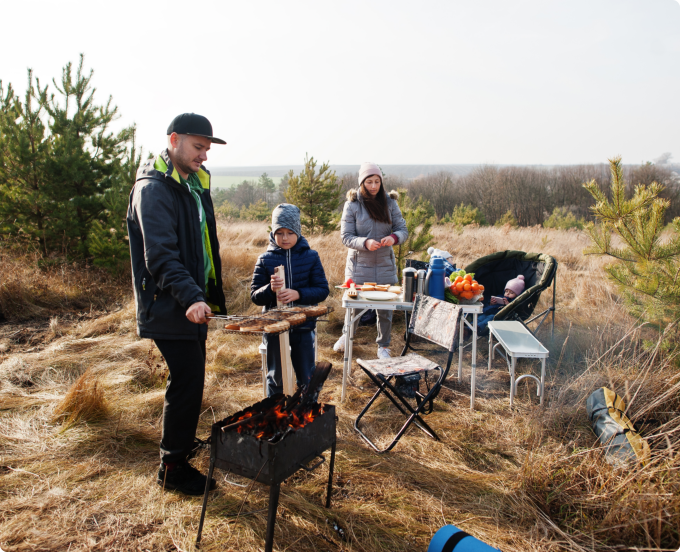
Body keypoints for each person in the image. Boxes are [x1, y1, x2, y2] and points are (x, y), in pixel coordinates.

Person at [127, 113, 227, 496]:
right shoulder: (153, 190)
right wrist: (191, 297)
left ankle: (182, 444)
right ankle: (172, 467)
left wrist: (206, 295)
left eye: (207, 148)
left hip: (190, 301)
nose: (204, 156)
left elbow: (201, 246)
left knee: (191, 378)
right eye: (198, 147)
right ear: (174, 140)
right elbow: (162, 257)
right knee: (186, 381)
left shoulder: (190, 186)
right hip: (168, 303)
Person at [251, 204, 329, 396]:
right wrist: (270, 289)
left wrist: (299, 294)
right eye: (280, 233)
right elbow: (255, 296)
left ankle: (306, 417)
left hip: (303, 326)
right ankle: (277, 417)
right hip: (275, 329)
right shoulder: (265, 259)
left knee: (306, 376)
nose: (284, 238)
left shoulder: (311, 257)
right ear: (273, 232)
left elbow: (322, 290)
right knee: (276, 376)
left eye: (290, 232)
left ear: (298, 232)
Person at [333, 162, 408, 359]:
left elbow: (402, 229)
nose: (373, 186)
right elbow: (346, 236)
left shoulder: (390, 203)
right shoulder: (352, 204)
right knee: (354, 304)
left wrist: (394, 238)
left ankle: (383, 346)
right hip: (359, 266)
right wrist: (365, 243)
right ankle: (346, 336)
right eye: (369, 182)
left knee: (386, 309)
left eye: (377, 181)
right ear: (362, 182)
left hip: (385, 265)